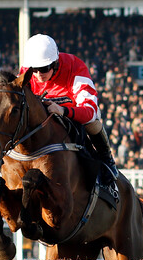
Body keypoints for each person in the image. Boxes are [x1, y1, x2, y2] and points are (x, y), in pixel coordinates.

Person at [19, 34, 119, 181]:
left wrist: (63, 110)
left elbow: (90, 111)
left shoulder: (75, 66)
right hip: (43, 118)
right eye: (35, 69)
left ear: (55, 63)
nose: (39, 75)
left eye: (44, 69)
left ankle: (106, 158)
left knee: (92, 121)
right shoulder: (26, 71)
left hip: (72, 114)